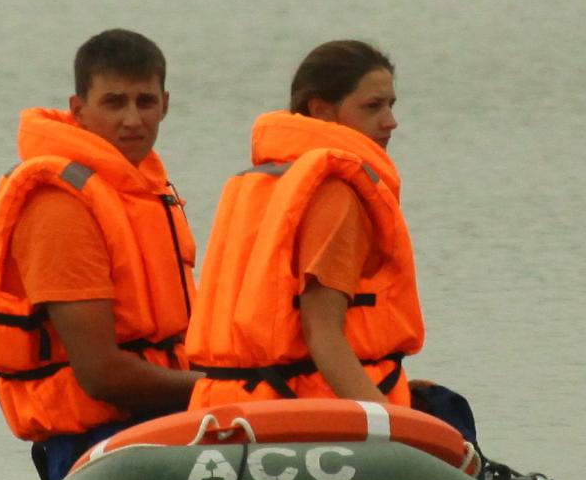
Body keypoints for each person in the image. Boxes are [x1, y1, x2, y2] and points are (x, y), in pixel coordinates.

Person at [182, 40, 479, 443]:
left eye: (392, 105)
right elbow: (323, 333)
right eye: (373, 107)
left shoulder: (259, 181)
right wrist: (397, 431)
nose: (391, 121)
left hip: (230, 413)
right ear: (321, 111)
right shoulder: (337, 190)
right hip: (302, 417)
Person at [0, 29, 201, 480]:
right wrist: (223, 391)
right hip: (96, 442)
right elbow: (100, 375)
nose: (133, 119)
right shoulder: (62, 205)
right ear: (78, 110)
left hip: (172, 418)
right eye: (114, 103)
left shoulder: (145, 191)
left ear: (166, 104)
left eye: (145, 102)